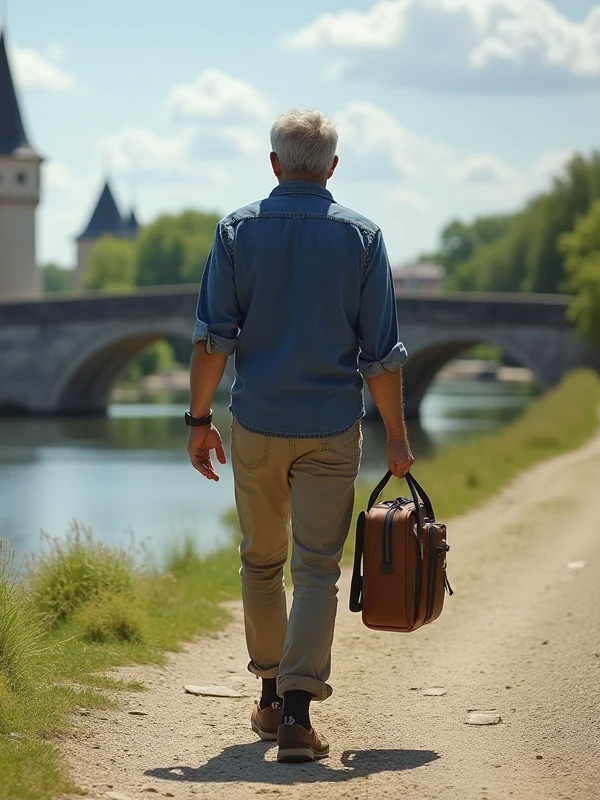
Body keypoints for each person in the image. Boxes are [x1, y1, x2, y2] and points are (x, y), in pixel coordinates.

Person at [185, 108, 413, 763]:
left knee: (260, 561)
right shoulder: (363, 239)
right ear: (333, 167)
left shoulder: (235, 232)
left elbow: (212, 341)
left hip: (255, 423)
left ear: (275, 163)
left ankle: (266, 695)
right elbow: (381, 356)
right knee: (315, 570)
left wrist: (198, 422)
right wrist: (396, 437)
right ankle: (297, 715)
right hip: (331, 428)